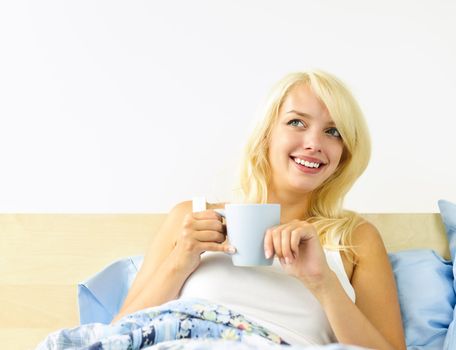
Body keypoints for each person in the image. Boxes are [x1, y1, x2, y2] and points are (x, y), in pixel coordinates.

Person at [111, 70, 406, 350]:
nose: (314, 143)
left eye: (333, 131)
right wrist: (180, 260)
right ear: (266, 134)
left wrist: (323, 282)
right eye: (296, 123)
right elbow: (117, 336)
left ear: (344, 154)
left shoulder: (356, 238)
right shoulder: (192, 218)